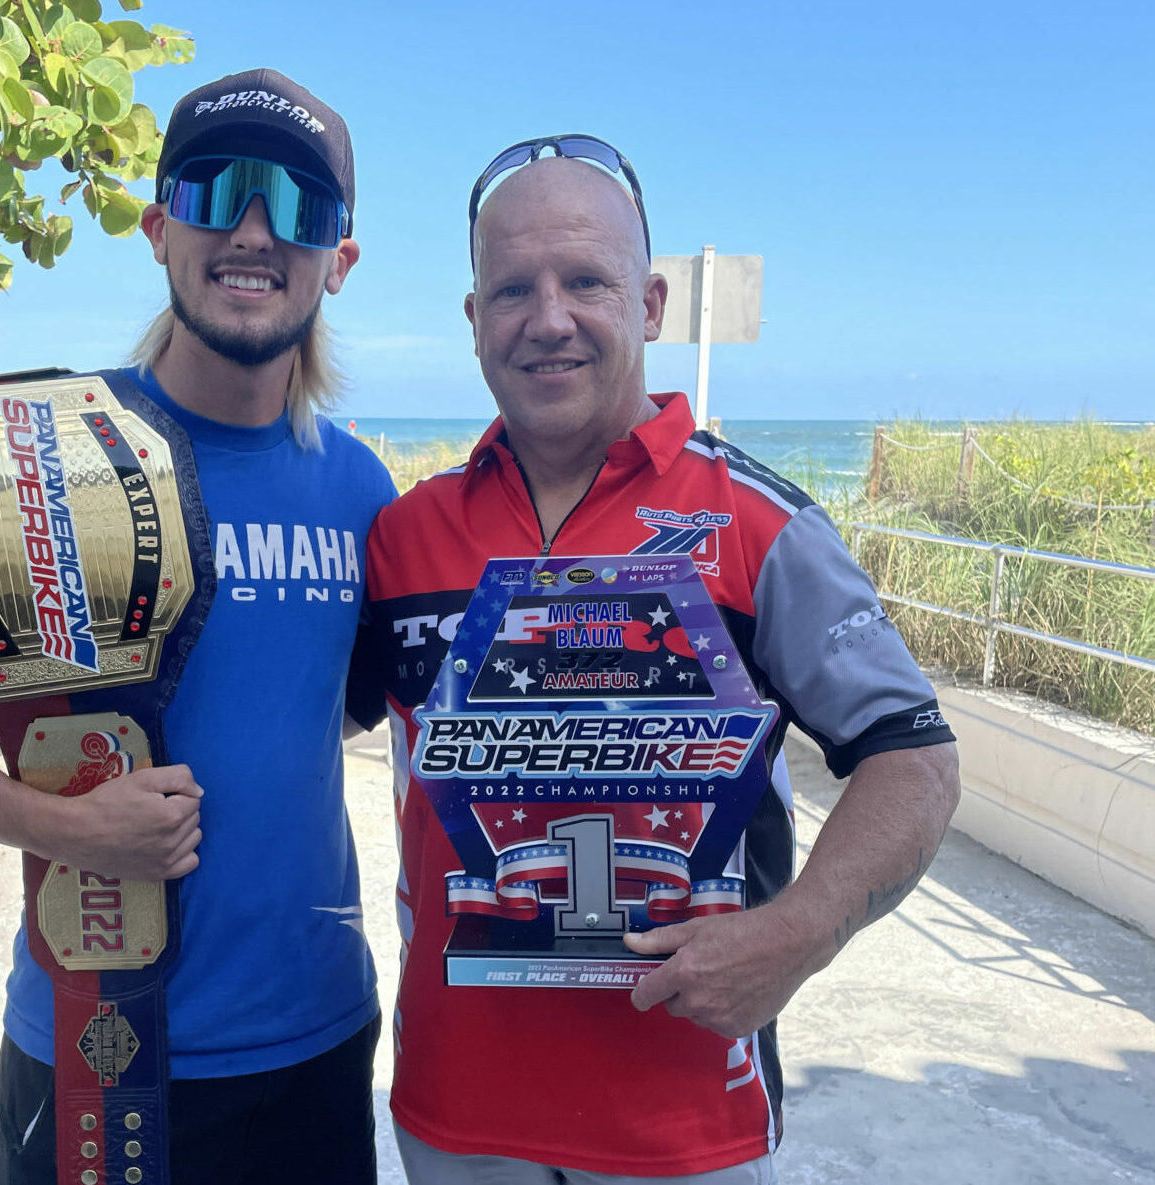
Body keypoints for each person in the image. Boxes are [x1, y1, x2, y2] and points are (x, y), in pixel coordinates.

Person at [0, 69, 395, 1185]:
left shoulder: (363, 490)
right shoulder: (36, 454)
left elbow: (342, 708)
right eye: (222, 191)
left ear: (341, 259)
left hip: (317, 1046)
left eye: (303, 209)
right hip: (100, 1045)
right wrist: (59, 823)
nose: (258, 233)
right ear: (161, 224)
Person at [358, 138, 961, 1183]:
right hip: (453, 1118)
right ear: (473, 321)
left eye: (585, 280)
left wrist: (803, 931)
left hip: (686, 1129)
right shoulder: (403, 536)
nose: (549, 319)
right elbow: (281, 725)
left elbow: (915, 757)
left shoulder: (755, 523)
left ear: (649, 302)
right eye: (512, 288)